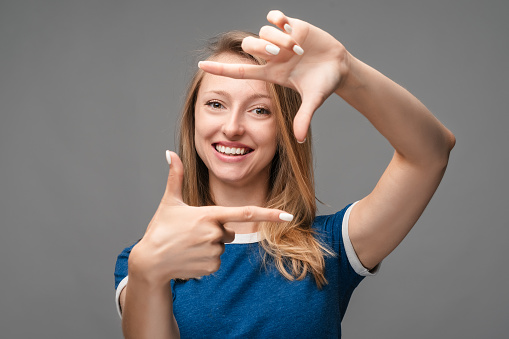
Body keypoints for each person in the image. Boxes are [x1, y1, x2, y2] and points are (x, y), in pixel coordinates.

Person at [114, 10, 455, 338]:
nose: (232, 128)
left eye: (259, 110)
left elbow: (431, 153)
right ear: (193, 119)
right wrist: (147, 269)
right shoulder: (143, 260)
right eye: (216, 104)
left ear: (285, 129)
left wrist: (347, 72)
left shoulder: (331, 246)